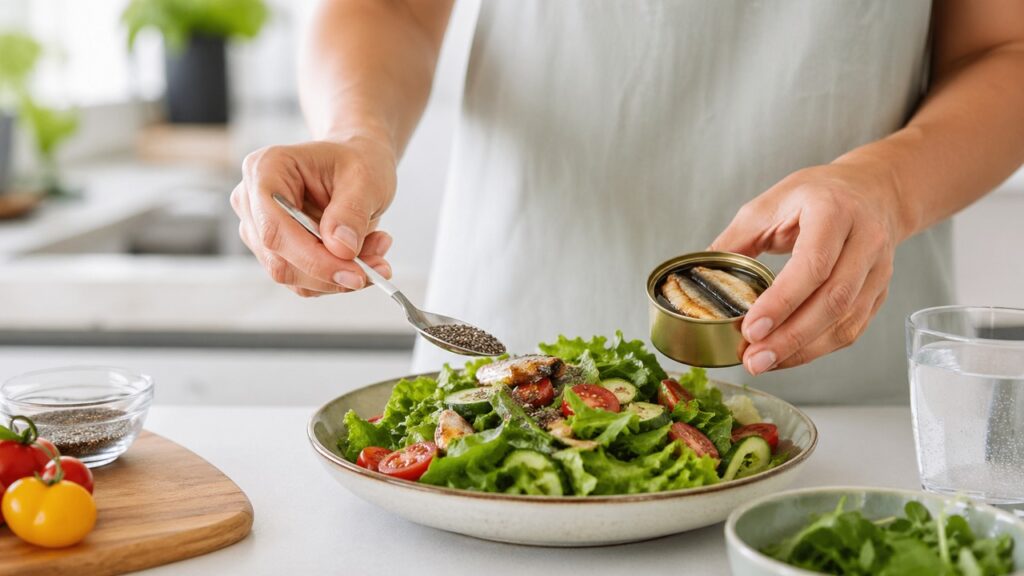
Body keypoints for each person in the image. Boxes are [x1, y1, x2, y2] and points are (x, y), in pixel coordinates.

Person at [231, 0, 1024, 404]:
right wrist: (357, 131)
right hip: (508, 354)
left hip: (841, 373)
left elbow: (1003, 46)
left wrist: (885, 187)